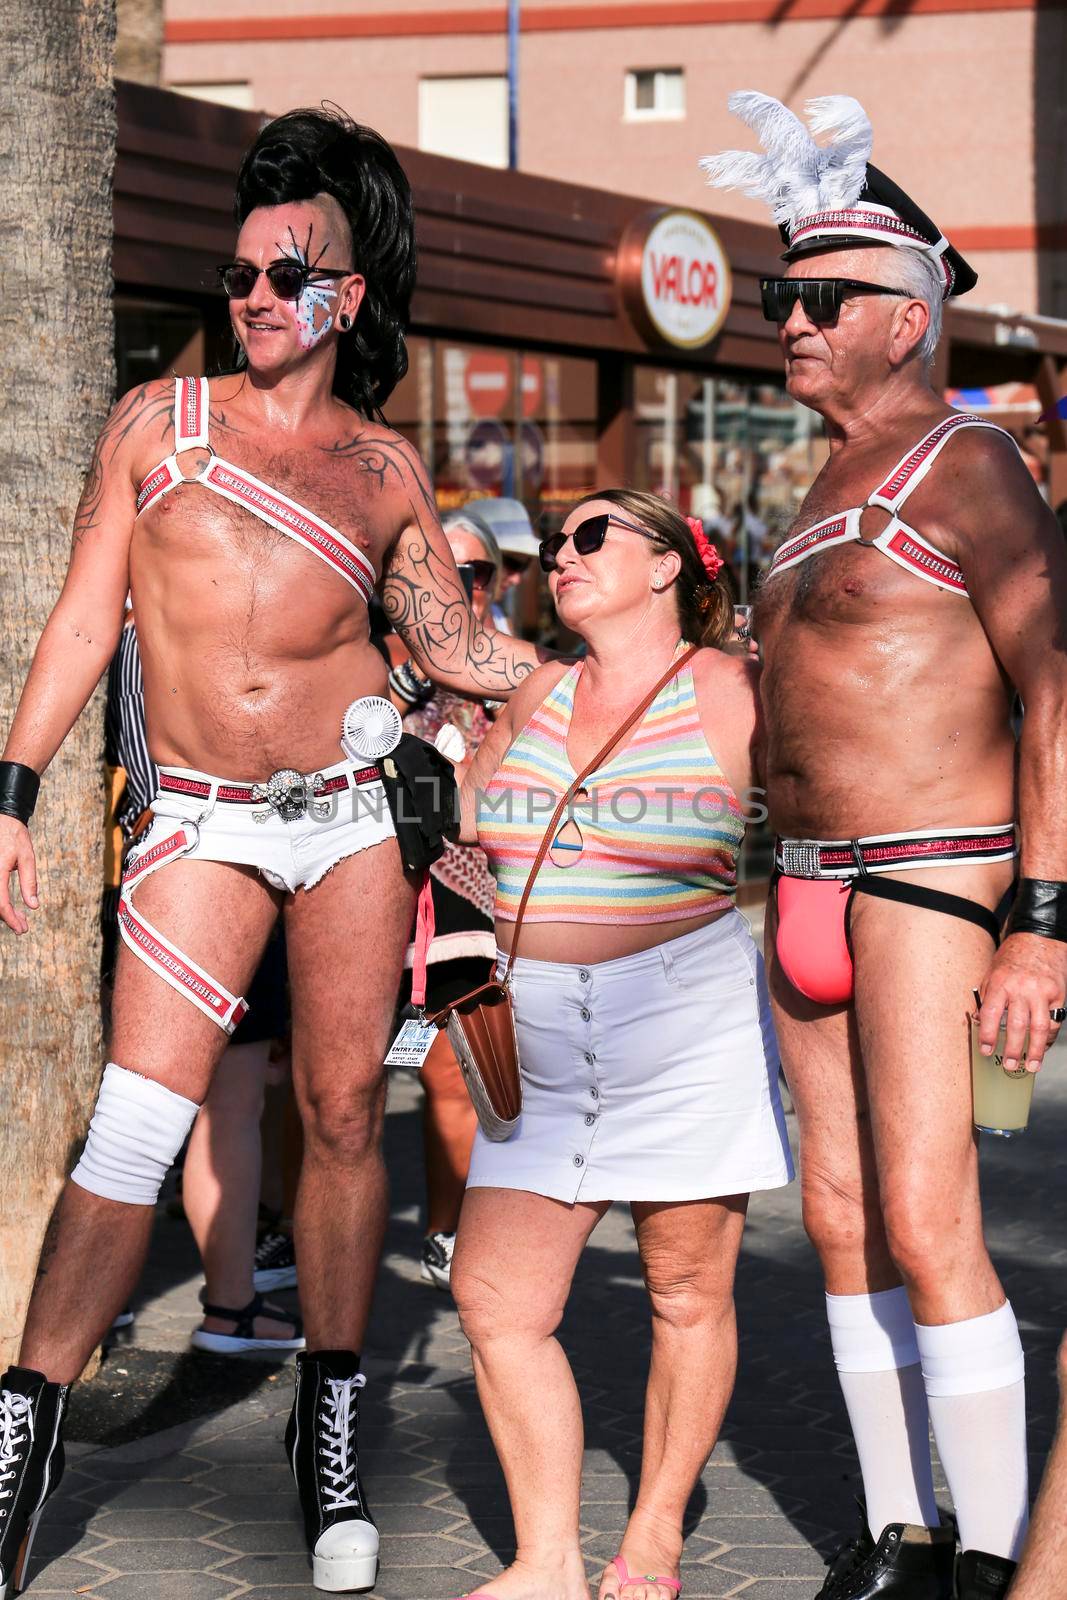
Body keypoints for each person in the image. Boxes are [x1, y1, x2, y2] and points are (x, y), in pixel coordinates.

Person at [0, 106, 539, 1598]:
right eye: (238, 272)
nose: (251, 296)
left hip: (352, 820)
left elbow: (449, 642)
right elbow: (78, 618)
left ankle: (335, 1432)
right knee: (130, 1126)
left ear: (345, 299)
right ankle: (19, 1443)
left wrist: (604, 669)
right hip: (198, 827)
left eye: (286, 274)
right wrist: (10, 788)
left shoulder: (381, 471)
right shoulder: (156, 430)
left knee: (346, 1120)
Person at [704, 92, 1067, 1599]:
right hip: (798, 882)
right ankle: (895, 1532)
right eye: (780, 295)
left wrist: (1040, 920)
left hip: (930, 874)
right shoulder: (810, 489)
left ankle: (991, 1557)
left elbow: (1052, 695)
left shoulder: (964, 467)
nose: (785, 320)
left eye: (818, 297)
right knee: (840, 1223)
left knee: (927, 1217)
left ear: (907, 318)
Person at [449, 489, 794, 1600]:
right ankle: (543, 1557)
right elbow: (468, 821)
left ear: (667, 566)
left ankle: (651, 1536)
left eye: (593, 535)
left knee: (685, 1290)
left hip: (680, 1015)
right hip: (530, 1027)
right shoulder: (534, 689)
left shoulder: (732, 688)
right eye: (553, 543)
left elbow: (824, 806)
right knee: (497, 1301)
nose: (562, 555)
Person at [389, 507, 504, 1290]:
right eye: (442, 573)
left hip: (486, 900)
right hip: (389, 897)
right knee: (336, 1083)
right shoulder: (378, 669)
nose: (459, 589)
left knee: (468, 1076)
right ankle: (286, 1230)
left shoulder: (516, 670)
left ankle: (455, 1229)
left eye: (475, 573)